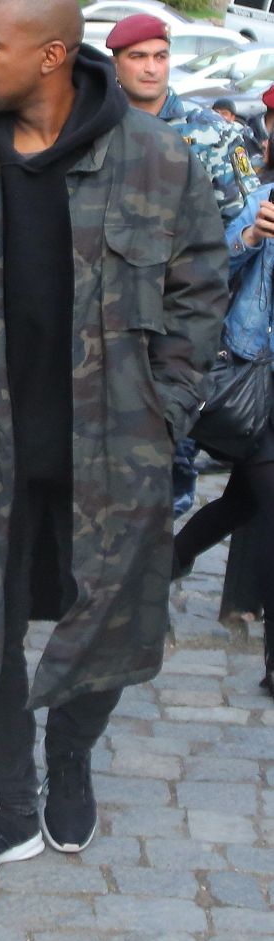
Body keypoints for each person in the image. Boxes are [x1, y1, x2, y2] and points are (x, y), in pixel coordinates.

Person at [0, 0, 228, 884]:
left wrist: (166, 407)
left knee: (108, 617)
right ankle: (10, 802)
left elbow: (198, 288)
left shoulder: (155, 159)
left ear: (51, 54)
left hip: (112, 452)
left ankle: (69, 754)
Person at [107, 14, 259, 519]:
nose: (151, 69)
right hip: (106, 313)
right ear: (116, 63)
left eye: (160, 56)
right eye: (138, 57)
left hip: (182, 314)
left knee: (172, 453)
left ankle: (161, 554)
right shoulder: (93, 129)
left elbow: (239, 234)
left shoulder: (213, 134)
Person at [174, 182, 274, 696]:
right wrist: (253, 235)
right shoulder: (266, 199)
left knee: (241, 504)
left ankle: (173, 558)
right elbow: (212, 275)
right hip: (258, 379)